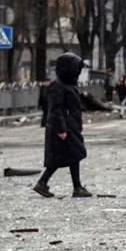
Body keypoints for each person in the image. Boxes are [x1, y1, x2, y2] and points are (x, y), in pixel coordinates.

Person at [33, 53, 92, 198]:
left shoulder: (68, 84)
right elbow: (55, 109)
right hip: (63, 127)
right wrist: (61, 129)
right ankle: (44, 182)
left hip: (71, 126)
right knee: (64, 157)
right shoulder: (57, 85)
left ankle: (75, 186)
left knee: (72, 156)